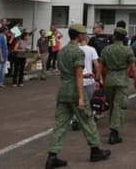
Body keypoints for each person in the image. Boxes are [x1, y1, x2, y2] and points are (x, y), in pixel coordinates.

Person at [44, 24, 111, 168]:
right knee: (87, 120)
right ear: (78, 35)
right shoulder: (78, 52)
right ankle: (95, 150)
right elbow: (78, 77)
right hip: (75, 90)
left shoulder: (62, 51)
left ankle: (52, 155)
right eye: (83, 33)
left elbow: (69, 73)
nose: (86, 35)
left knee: (60, 124)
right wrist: (81, 97)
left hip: (63, 90)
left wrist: (83, 74)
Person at [100, 27, 136, 145]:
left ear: (114, 36)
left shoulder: (106, 50)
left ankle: (113, 128)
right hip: (121, 80)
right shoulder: (127, 50)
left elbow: (100, 65)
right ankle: (114, 132)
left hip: (109, 80)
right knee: (118, 106)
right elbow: (133, 66)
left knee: (112, 105)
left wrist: (97, 78)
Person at [71, 31, 100, 131]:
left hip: (77, 78)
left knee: (78, 99)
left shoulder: (75, 49)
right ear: (86, 39)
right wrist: (98, 78)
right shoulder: (92, 50)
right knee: (88, 101)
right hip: (89, 79)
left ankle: (75, 118)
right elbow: (96, 65)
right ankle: (87, 119)